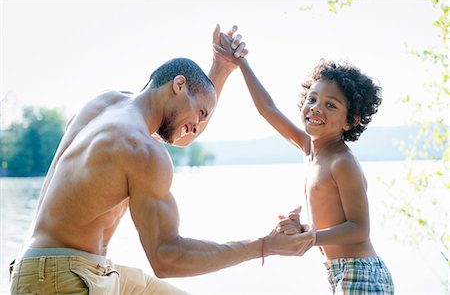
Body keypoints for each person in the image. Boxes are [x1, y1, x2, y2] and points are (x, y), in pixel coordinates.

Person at [9, 25, 316, 295]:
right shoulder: (140, 149)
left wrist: (220, 68)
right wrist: (266, 246)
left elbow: (182, 135)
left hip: (47, 265)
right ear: (179, 85)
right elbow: (167, 257)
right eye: (201, 113)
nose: (196, 126)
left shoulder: (104, 105)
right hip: (59, 278)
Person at [215, 32, 395, 294]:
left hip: (360, 272)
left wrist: (310, 238)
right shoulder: (310, 148)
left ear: (350, 121)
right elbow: (269, 109)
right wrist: (241, 62)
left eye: (330, 105)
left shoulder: (342, 162)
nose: (316, 108)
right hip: (340, 272)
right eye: (312, 99)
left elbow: (359, 229)